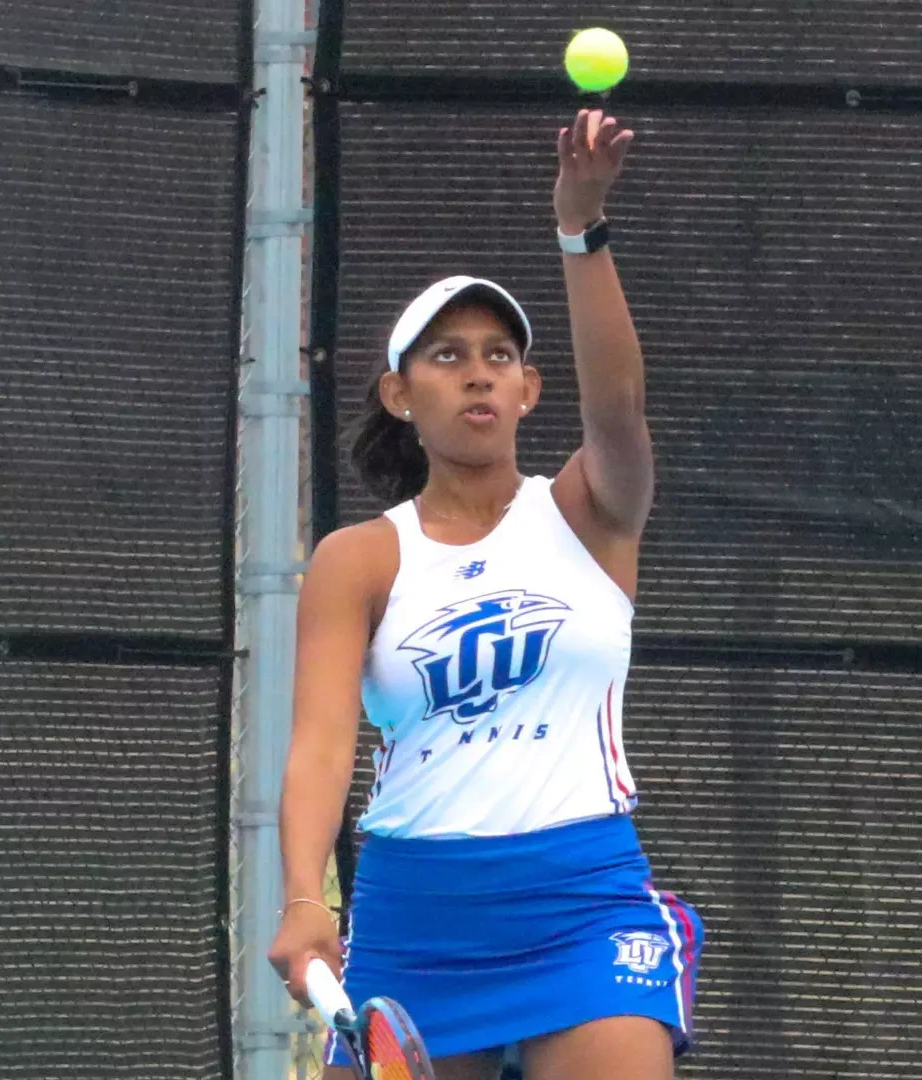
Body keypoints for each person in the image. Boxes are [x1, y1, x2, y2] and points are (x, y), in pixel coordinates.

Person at [268, 108, 702, 1080]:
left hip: (581, 904)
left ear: (529, 389)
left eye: (498, 357)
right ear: (399, 393)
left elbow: (620, 406)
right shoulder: (359, 560)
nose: (477, 375)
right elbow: (322, 745)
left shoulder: (593, 512)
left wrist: (579, 227)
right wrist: (306, 898)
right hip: (414, 918)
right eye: (449, 356)